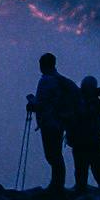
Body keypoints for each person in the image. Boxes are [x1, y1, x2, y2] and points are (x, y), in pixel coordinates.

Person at [29, 54, 77, 191]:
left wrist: (33, 104)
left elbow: (43, 103)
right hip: (59, 122)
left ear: (43, 65)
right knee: (55, 153)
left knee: (52, 154)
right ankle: (57, 183)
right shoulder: (58, 80)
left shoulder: (47, 81)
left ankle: (57, 184)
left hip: (49, 122)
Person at [66, 70, 100, 192]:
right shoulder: (94, 102)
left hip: (81, 143)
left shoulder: (75, 101)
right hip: (94, 143)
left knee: (82, 175)